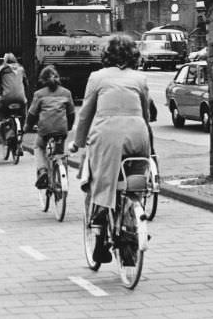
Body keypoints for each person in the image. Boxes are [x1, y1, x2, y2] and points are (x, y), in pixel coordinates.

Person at [68, 35, 151, 264]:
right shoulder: (140, 78)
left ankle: (100, 219)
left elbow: (86, 114)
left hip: (107, 136)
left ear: (107, 55)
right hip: (138, 135)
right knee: (134, 181)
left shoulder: (97, 78)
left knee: (100, 178)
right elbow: (146, 114)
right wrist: (149, 147)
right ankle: (130, 219)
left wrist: (77, 142)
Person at [27, 65, 75, 189]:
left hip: (45, 130)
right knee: (59, 152)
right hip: (61, 130)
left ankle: (43, 171)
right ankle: (61, 173)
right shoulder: (66, 93)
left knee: (38, 146)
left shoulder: (39, 94)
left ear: (42, 80)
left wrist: (28, 126)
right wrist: (68, 127)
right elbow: (71, 114)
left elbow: (32, 114)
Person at [0, 53, 29, 140]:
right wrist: (25, 95)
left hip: (7, 99)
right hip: (20, 98)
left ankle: (5, 122)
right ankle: (21, 131)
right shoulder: (21, 69)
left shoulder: (2, 69)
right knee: (23, 114)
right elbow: (26, 84)